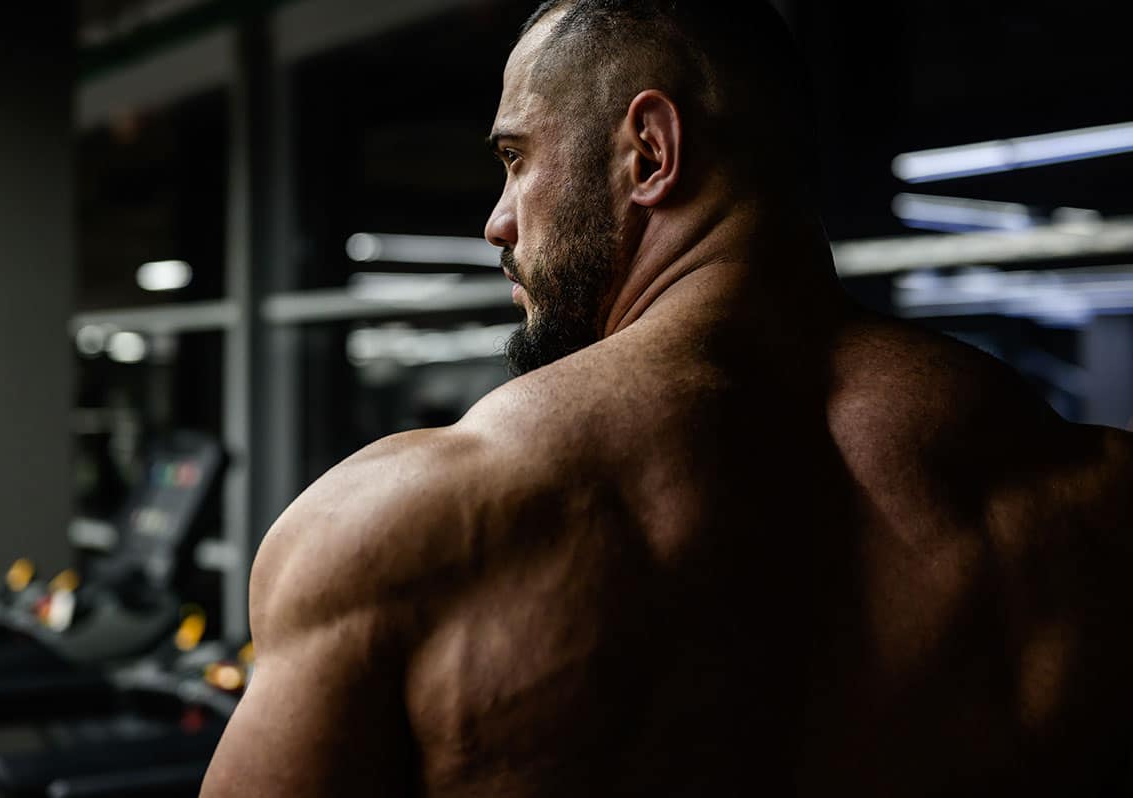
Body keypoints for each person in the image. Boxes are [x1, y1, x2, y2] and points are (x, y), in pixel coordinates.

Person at [201, 1, 1133, 795]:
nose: (496, 220)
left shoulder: (395, 524)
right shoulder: (1089, 499)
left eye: (516, 158)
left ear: (649, 152)